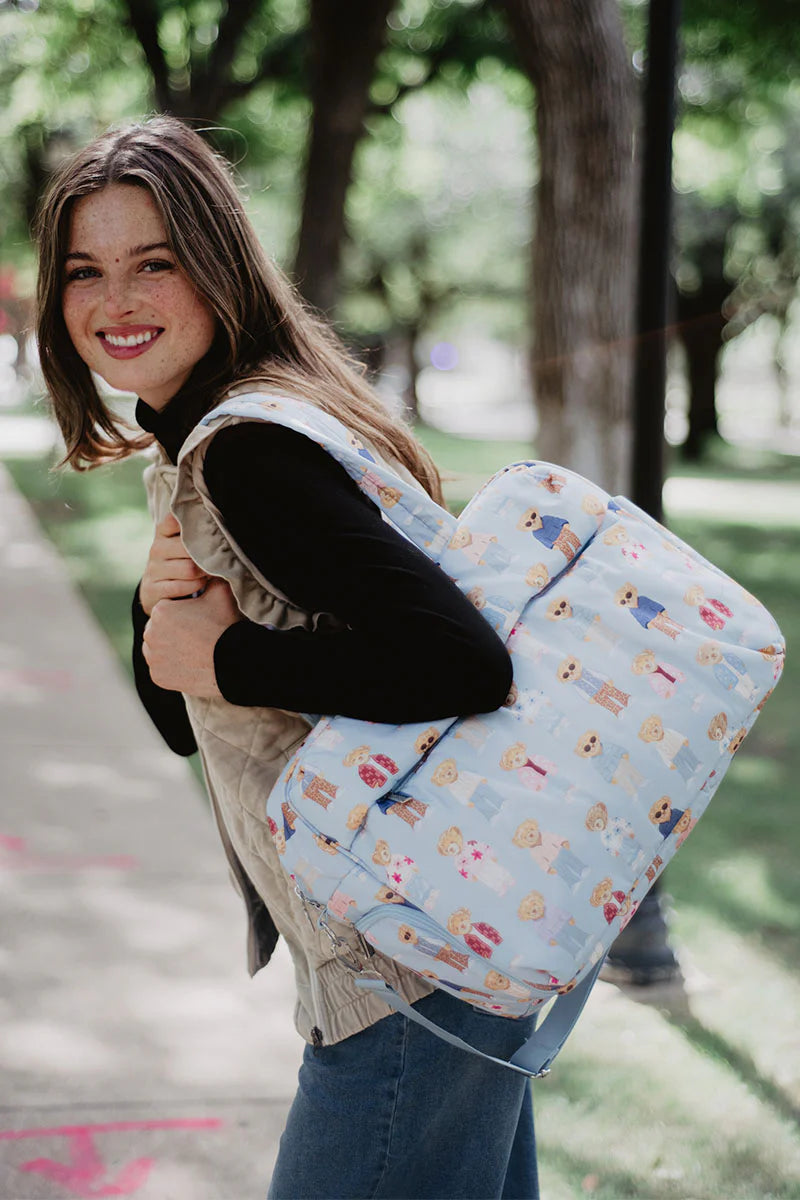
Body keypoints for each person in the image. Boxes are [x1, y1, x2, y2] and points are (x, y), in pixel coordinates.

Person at [34, 116, 540, 1200]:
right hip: (443, 952)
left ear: (216, 268)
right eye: (85, 271)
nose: (114, 301)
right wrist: (171, 622)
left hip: (401, 976)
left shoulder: (253, 450)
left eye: (152, 264)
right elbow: (181, 708)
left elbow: (461, 664)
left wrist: (232, 658)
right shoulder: (215, 433)